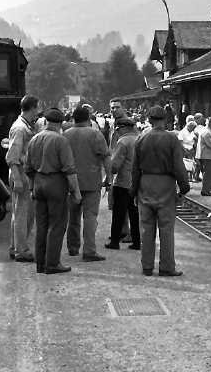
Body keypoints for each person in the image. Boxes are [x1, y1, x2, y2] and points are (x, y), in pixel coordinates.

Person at [130, 105, 190, 276]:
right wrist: (184, 187)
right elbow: (179, 166)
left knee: (146, 228)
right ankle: (166, 267)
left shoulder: (141, 138)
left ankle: (147, 266)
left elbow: (134, 169)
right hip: (166, 184)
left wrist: (133, 191)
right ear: (165, 119)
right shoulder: (172, 139)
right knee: (166, 229)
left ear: (149, 120)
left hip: (145, 183)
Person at [24, 108, 82, 274]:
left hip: (38, 183)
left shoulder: (34, 139)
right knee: (57, 225)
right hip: (55, 183)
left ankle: (40, 264)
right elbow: (69, 170)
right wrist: (76, 192)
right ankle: (52, 264)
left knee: (41, 226)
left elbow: (28, 168)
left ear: (46, 122)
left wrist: (31, 187)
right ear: (60, 123)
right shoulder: (60, 140)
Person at [63, 106, 111, 261]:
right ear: (88, 118)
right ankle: (89, 251)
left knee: (73, 217)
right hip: (91, 181)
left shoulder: (65, 135)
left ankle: (73, 247)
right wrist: (109, 179)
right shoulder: (95, 134)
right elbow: (106, 158)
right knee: (90, 216)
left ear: (73, 119)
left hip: (71, 183)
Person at [5, 95, 39, 262]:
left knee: (18, 213)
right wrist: (18, 179)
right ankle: (22, 251)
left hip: (20, 173)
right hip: (21, 173)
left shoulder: (22, 126)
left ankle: (15, 247)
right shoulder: (20, 129)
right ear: (32, 108)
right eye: (36, 108)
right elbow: (12, 156)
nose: (37, 112)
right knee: (23, 214)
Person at [105, 116, 141, 250]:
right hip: (137, 183)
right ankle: (137, 242)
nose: (117, 132)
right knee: (135, 213)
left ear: (123, 128)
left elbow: (115, 165)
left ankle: (114, 241)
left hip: (123, 182)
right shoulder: (140, 139)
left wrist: (109, 173)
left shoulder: (123, 141)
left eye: (118, 129)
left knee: (119, 213)